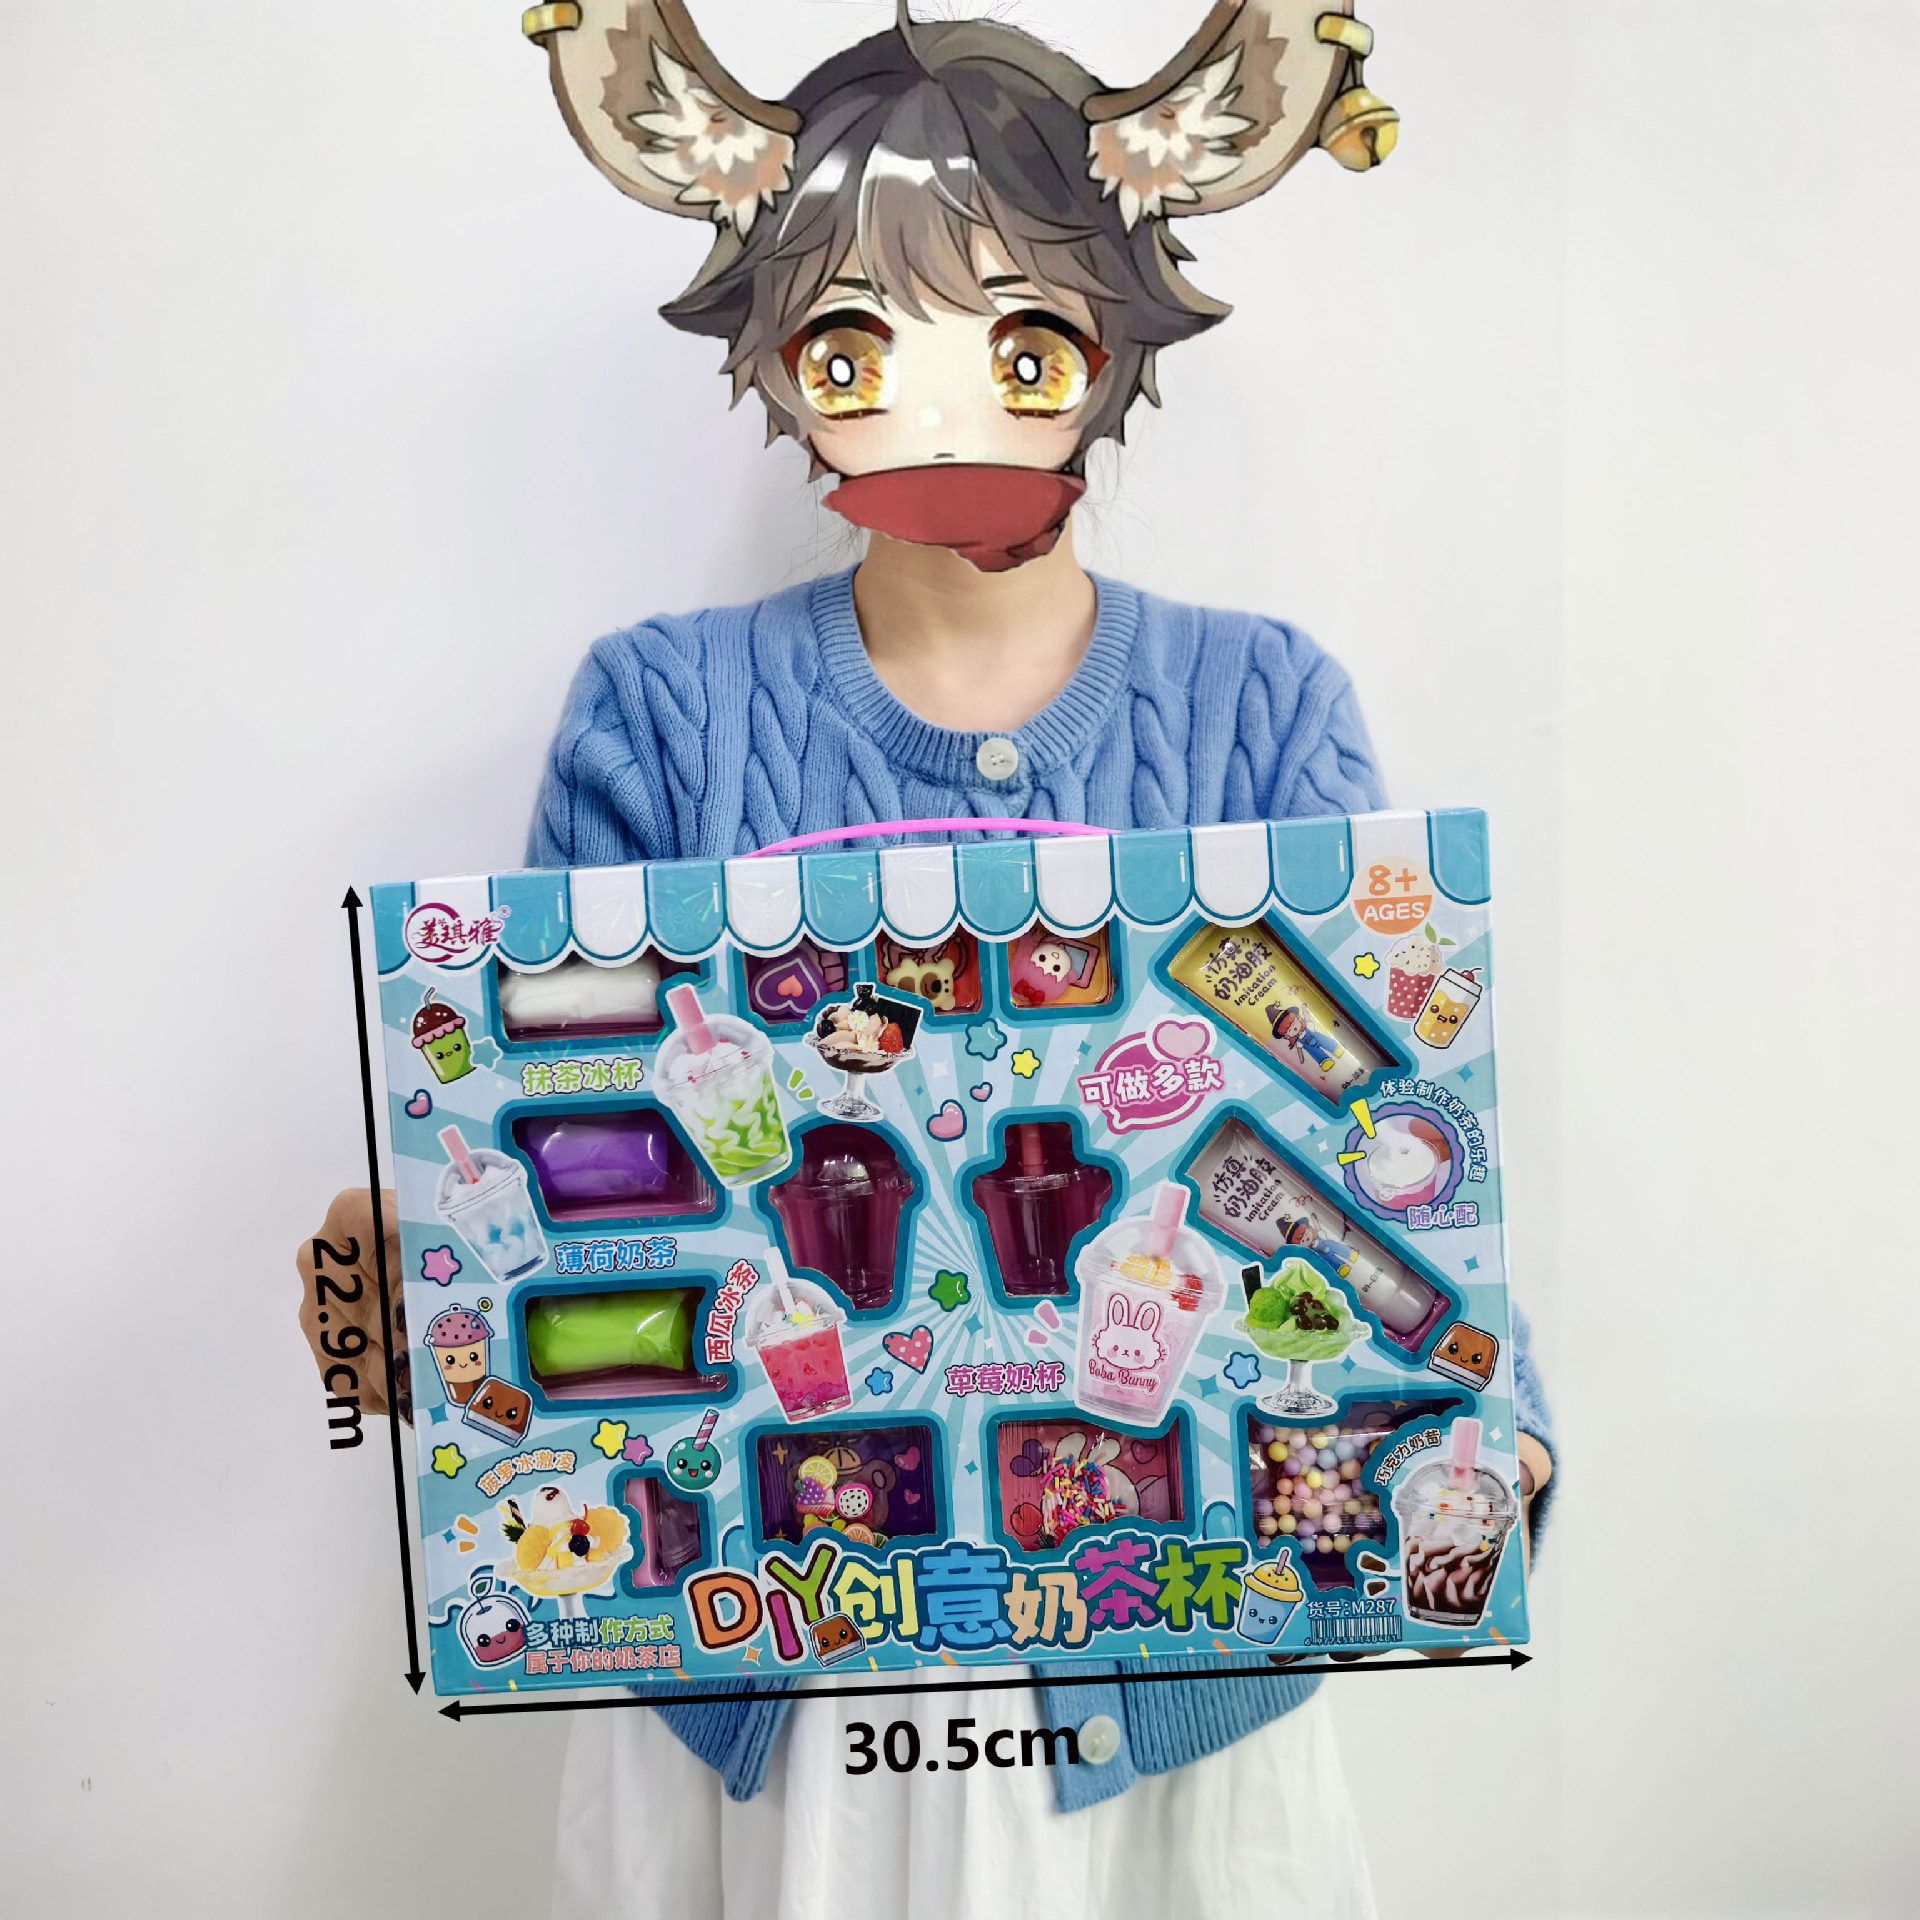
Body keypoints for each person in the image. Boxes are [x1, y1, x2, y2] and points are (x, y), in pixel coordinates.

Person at [298, 7, 1554, 1915]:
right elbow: (557, 1152)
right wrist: (430, 1288)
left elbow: (1381, 1125)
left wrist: (1490, 1421)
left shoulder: (1264, 703)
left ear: (1112, 345)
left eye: (1020, 341)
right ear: (784, 362)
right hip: (774, 1679)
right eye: (862, 344)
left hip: (1173, 1672)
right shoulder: (663, 712)